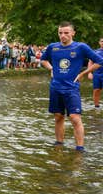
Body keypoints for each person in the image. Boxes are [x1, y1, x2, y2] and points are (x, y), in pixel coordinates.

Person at [40, 22, 103, 151]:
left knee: (75, 118)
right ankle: (59, 144)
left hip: (71, 88)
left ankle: (80, 148)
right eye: (60, 33)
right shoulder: (53, 47)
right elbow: (43, 60)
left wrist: (84, 73)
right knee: (58, 116)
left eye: (66, 33)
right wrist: (51, 68)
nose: (63, 35)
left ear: (73, 33)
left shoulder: (81, 47)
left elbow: (99, 61)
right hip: (55, 87)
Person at [88, 37, 103, 109]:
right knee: (96, 90)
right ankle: (96, 107)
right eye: (102, 41)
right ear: (99, 42)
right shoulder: (95, 52)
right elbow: (90, 62)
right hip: (97, 74)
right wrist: (89, 73)